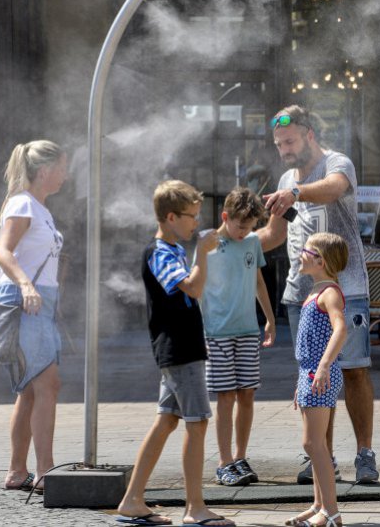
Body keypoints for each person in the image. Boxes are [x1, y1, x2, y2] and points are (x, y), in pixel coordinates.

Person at [257, 105, 379, 485]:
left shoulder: (335, 163)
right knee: (313, 374)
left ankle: (364, 453)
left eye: (290, 141)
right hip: (301, 293)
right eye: (279, 144)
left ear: (310, 133)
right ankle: (320, 457)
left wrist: (295, 192)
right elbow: (274, 235)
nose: (285, 150)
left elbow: (335, 189)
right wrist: (233, 244)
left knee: (355, 370)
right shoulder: (285, 177)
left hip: (347, 287)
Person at [116, 180, 234, 527]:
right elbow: (194, 288)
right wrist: (202, 253)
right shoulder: (161, 252)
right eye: (191, 216)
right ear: (170, 217)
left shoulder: (169, 250)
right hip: (180, 349)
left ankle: (132, 500)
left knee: (167, 420)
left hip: (179, 348)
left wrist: (201, 252)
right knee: (197, 424)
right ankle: (195, 508)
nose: (196, 222)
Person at [0, 140, 67, 494]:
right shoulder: (24, 203)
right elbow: (2, 252)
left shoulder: (39, 207)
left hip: (39, 304)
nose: (66, 174)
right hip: (30, 305)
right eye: (62, 167)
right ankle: (45, 471)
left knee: (29, 390)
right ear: (44, 171)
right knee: (46, 385)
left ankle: (17, 471)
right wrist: (24, 287)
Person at [200, 187, 276, 488]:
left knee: (247, 393)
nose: (245, 232)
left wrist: (269, 319)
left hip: (247, 329)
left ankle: (241, 456)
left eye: (251, 226)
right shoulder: (207, 243)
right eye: (240, 225)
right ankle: (224, 461)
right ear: (225, 217)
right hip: (216, 332)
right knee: (225, 397)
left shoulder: (252, 242)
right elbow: (196, 283)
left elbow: (258, 280)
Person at [285, 232, 349, 527]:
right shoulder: (316, 291)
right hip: (309, 373)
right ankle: (319, 504)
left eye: (306, 250)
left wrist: (323, 367)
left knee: (313, 444)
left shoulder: (329, 293)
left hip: (318, 373)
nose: (300, 253)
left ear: (320, 261)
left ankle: (331, 512)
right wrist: (303, 379)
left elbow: (341, 330)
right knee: (316, 443)